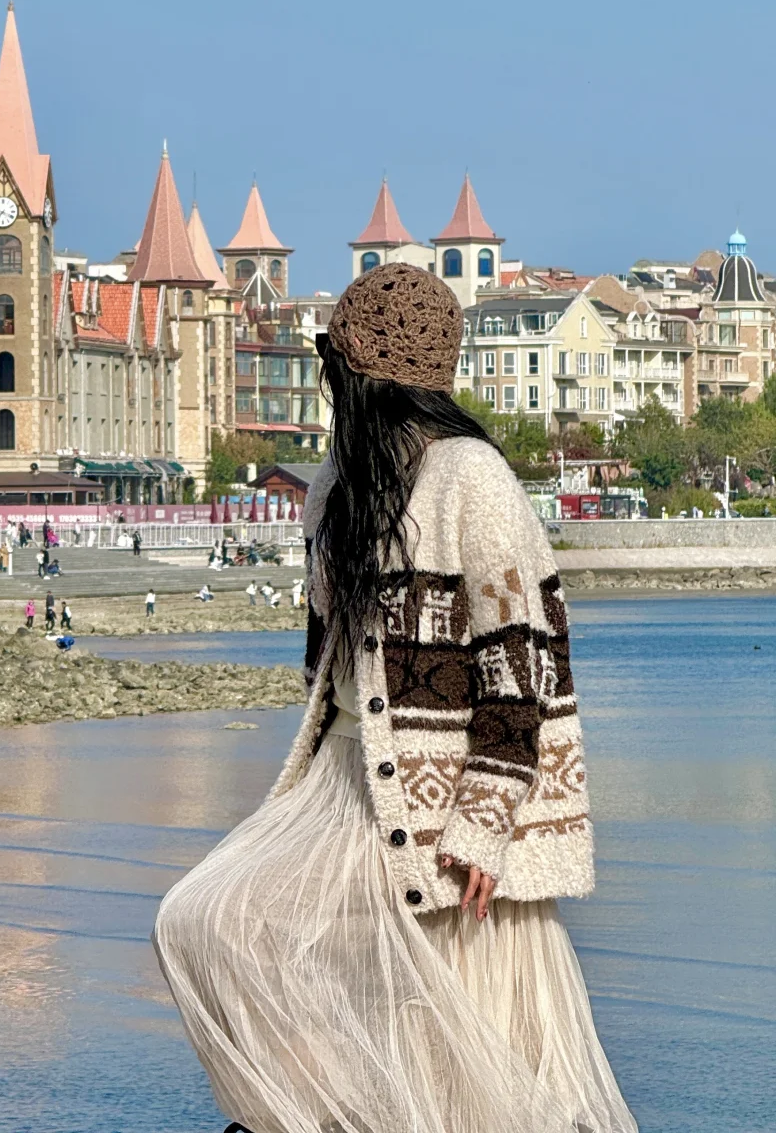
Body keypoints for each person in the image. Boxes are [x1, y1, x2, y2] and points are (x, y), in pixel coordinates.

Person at [153, 263, 636, 1133]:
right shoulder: (338, 483)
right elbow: (328, 657)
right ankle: (327, 1113)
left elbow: (522, 652)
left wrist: (486, 815)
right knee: (206, 922)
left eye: (335, 363)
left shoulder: (471, 476)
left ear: (363, 373)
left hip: (450, 793)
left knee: (467, 1038)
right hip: (346, 781)